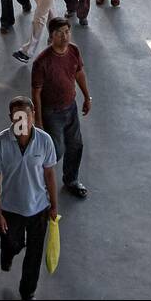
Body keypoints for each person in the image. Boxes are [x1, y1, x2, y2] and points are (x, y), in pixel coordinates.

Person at [0, 96, 58, 301]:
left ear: (33, 114)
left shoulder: (45, 141)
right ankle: (8, 253)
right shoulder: (1, 142)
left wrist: (54, 205)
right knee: (12, 243)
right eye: (17, 117)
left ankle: (27, 291)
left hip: (39, 208)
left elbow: (49, 175)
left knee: (34, 254)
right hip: (10, 209)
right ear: (11, 117)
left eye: (25, 116)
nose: (22, 122)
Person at [31, 18, 91, 198]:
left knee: (76, 145)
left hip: (70, 107)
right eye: (59, 33)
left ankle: (71, 179)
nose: (64, 36)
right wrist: (39, 120)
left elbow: (79, 73)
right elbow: (36, 92)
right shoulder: (42, 62)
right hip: (52, 112)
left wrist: (86, 97)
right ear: (51, 37)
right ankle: (40, 185)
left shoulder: (73, 51)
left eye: (67, 32)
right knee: (55, 151)